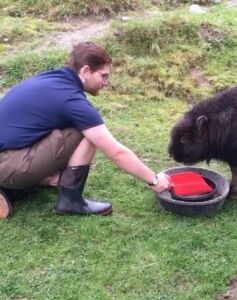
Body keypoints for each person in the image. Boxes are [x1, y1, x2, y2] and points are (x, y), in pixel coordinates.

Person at [0, 42, 171, 219]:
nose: (106, 82)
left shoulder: (53, 78)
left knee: (74, 126)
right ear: (86, 71)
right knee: (87, 132)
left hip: (8, 152)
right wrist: (154, 180)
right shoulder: (71, 101)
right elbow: (116, 152)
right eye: (103, 76)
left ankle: (32, 182)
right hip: (8, 163)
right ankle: (70, 200)